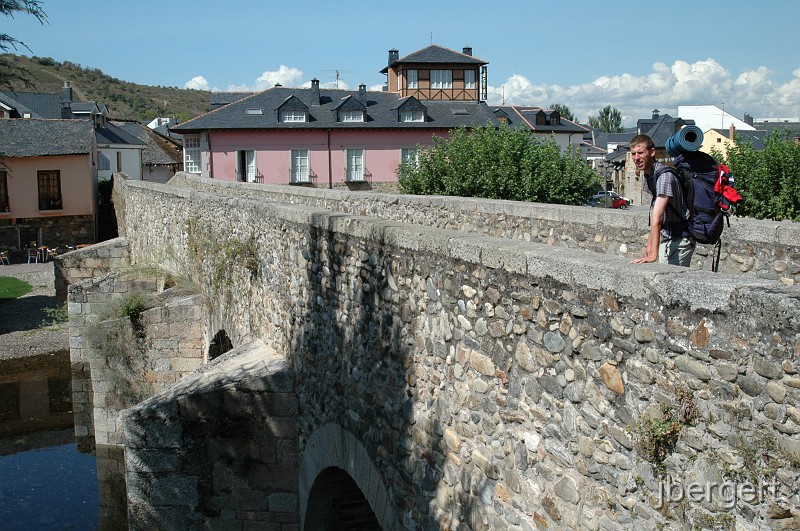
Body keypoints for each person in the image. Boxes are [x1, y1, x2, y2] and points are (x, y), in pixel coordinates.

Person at [630, 134, 695, 267]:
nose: (636, 158)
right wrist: (649, 247)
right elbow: (656, 212)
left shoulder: (664, 177)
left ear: (652, 152)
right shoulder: (650, 176)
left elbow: (657, 217)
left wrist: (653, 254)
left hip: (680, 239)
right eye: (633, 154)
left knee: (671, 284)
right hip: (668, 238)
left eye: (641, 153)